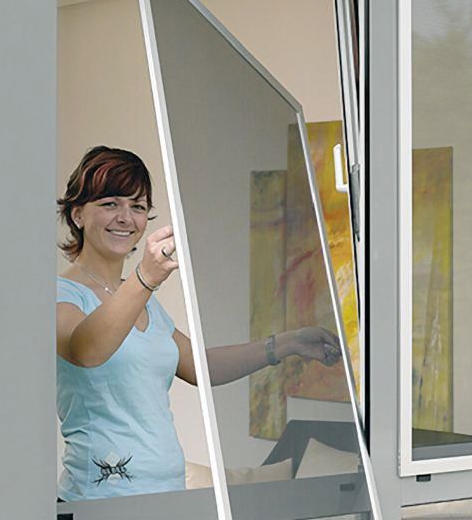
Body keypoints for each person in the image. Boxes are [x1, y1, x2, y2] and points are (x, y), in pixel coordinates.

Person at [56, 145, 340, 501]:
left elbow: (201, 367)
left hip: (167, 494)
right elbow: (86, 350)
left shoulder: (144, 300)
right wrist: (145, 278)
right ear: (78, 214)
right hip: (98, 500)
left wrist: (288, 343)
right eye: (110, 203)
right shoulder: (60, 293)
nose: (126, 218)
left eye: (138, 206)